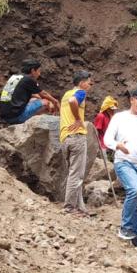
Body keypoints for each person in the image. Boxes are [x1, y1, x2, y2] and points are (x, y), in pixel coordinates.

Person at [103, 86, 137, 248]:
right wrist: (117, 145)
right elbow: (107, 139)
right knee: (134, 190)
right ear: (132, 100)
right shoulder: (119, 118)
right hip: (124, 161)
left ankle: (135, 234)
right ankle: (125, 228)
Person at [59, 70, 94, 217]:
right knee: (77, 175)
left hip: (65, 137)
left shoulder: (66, 94)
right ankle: (69, 207)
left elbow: (70, 102)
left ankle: (80, 207)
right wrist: (78, 120)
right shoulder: (80, 92)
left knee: (73, 172)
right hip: (77, 137)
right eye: (89, 82)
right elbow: (74, 102)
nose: (90, 85)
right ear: (81, 82)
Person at [0, 58, 59, 125]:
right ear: (33, 70)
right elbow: (43, 94)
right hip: (17, 117)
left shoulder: (14, 77)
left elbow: (24, 94)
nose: (39, 74)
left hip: (6, 117)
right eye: (39, 71)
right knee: (46, 102)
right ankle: (39, 126)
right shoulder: (28, 79)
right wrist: (55, 101)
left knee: (34, 99)